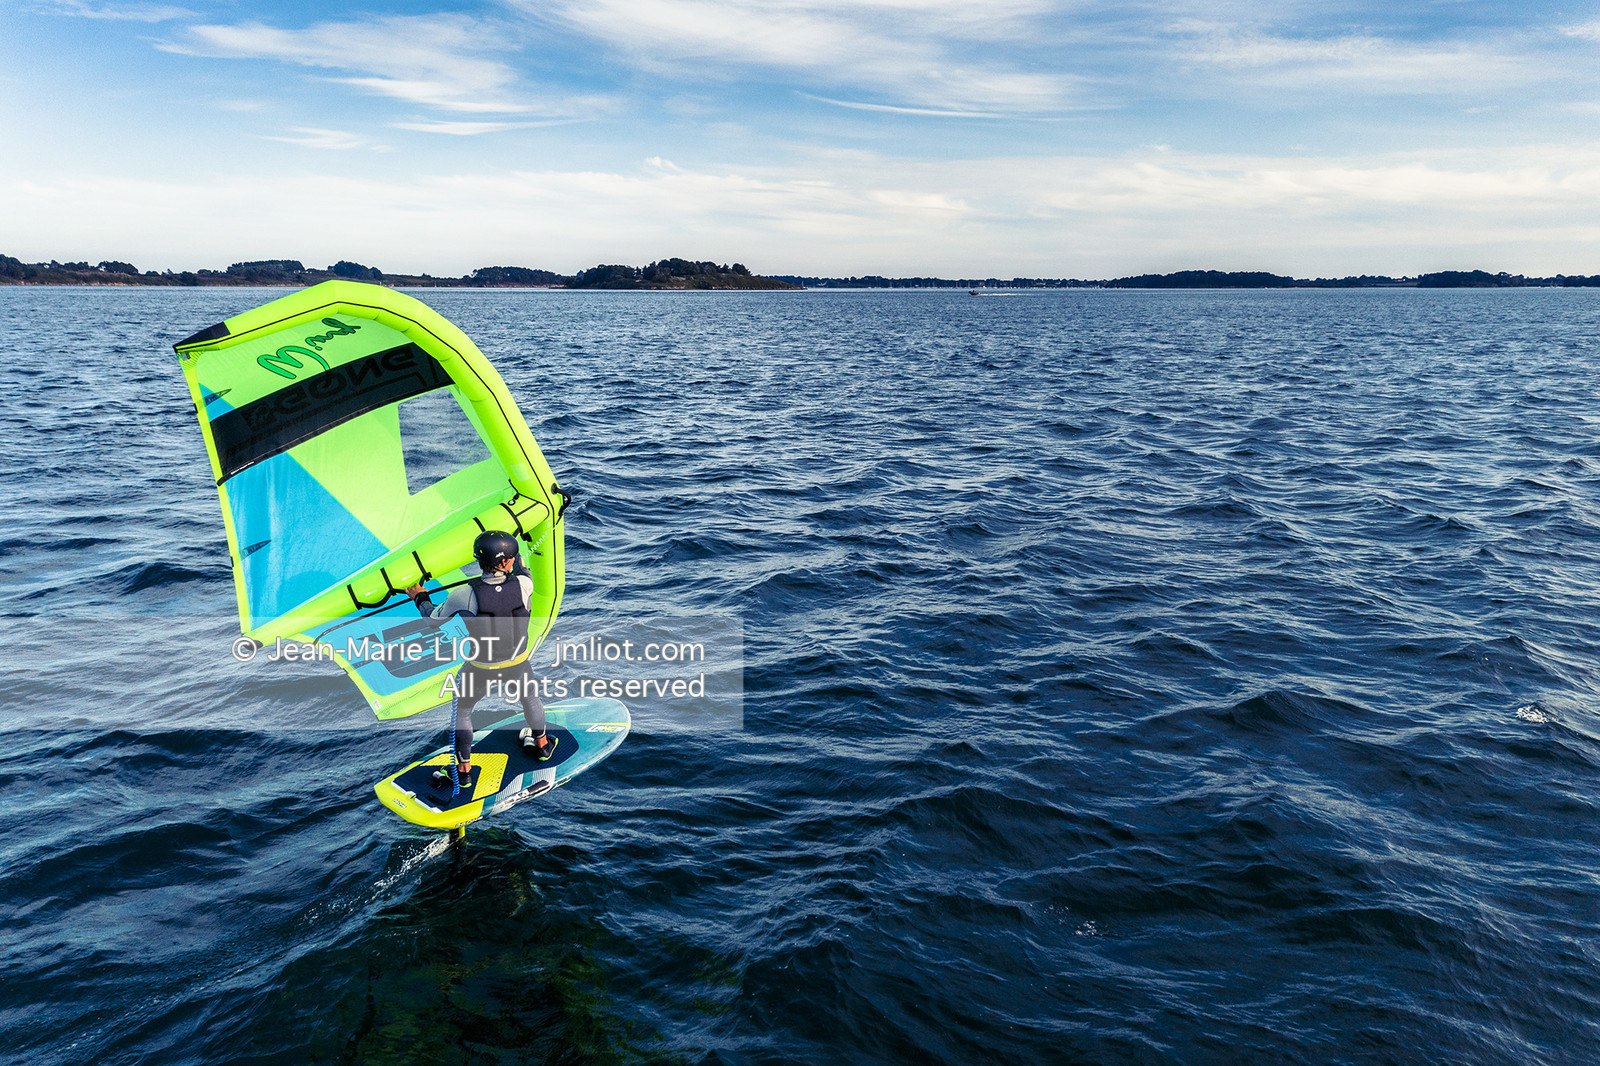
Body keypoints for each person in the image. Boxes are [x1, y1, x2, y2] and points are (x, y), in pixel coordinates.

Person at [405, 530, 556, 795]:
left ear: (478, 560)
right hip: (517, 663)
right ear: (507, 562)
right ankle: (542, 745)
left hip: (481, 668)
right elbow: (521, 567)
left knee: (464, 713)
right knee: (530, 700)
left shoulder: (462, 594)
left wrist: (419, 596)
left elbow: (432, 620)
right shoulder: (524, 585)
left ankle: (463, 774)